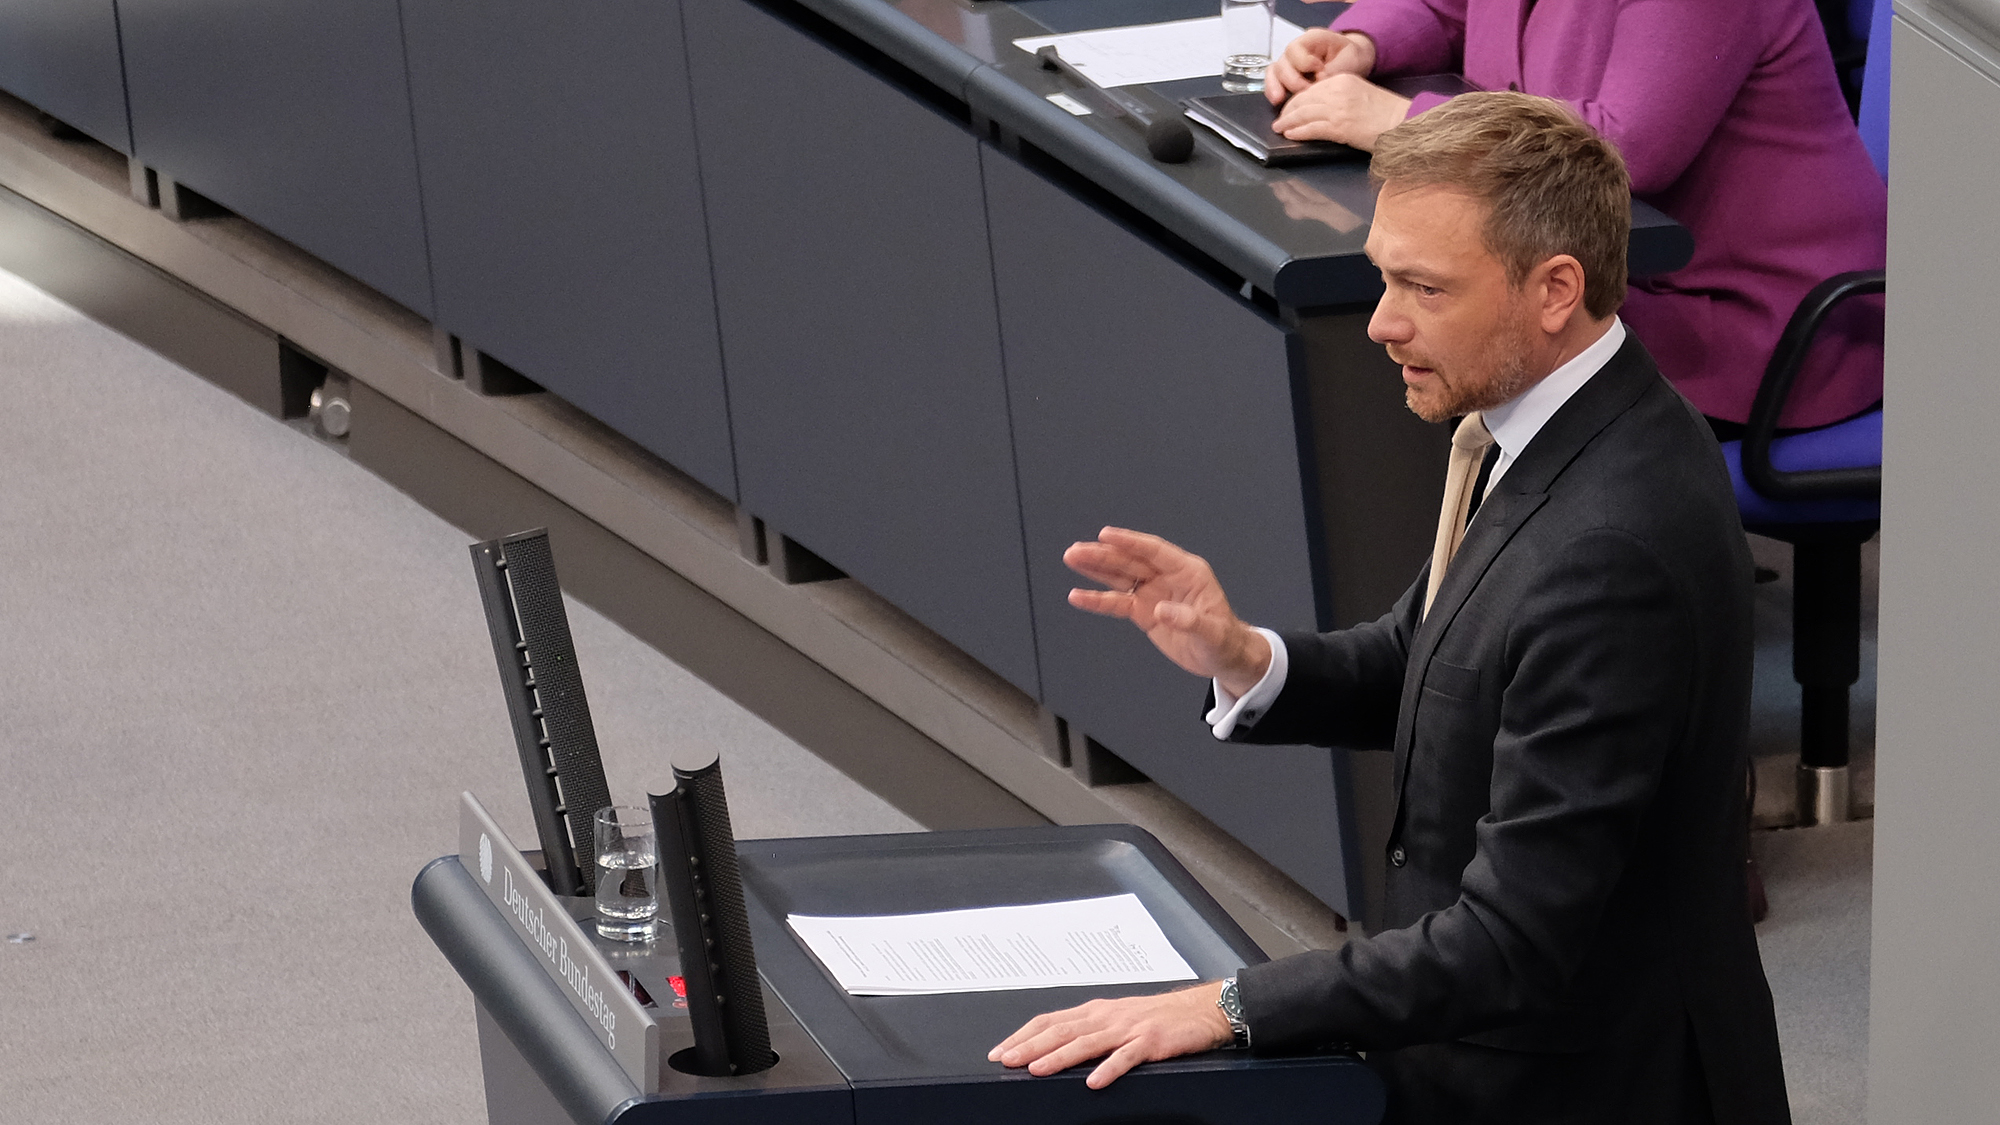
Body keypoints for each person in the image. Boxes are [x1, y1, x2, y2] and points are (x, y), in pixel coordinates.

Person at [989, 93, 1790, 1124]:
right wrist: (1242, 656)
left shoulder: (1608, 550)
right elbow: (1435, 658)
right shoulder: (1534, 429)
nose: (1380, 322)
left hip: (1582, 1086)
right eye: (1381, 277)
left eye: (1421, 286)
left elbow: (1511, 939)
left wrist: (1227, 1007)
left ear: (1554, 290)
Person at [1259, 0, 1885, 432]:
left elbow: (1625, 150)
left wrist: (1398, 121)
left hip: (1757, 319)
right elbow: (1446, 8)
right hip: (1596, 272)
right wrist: (1361, 43)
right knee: (1413, 330)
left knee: (1419, 345)